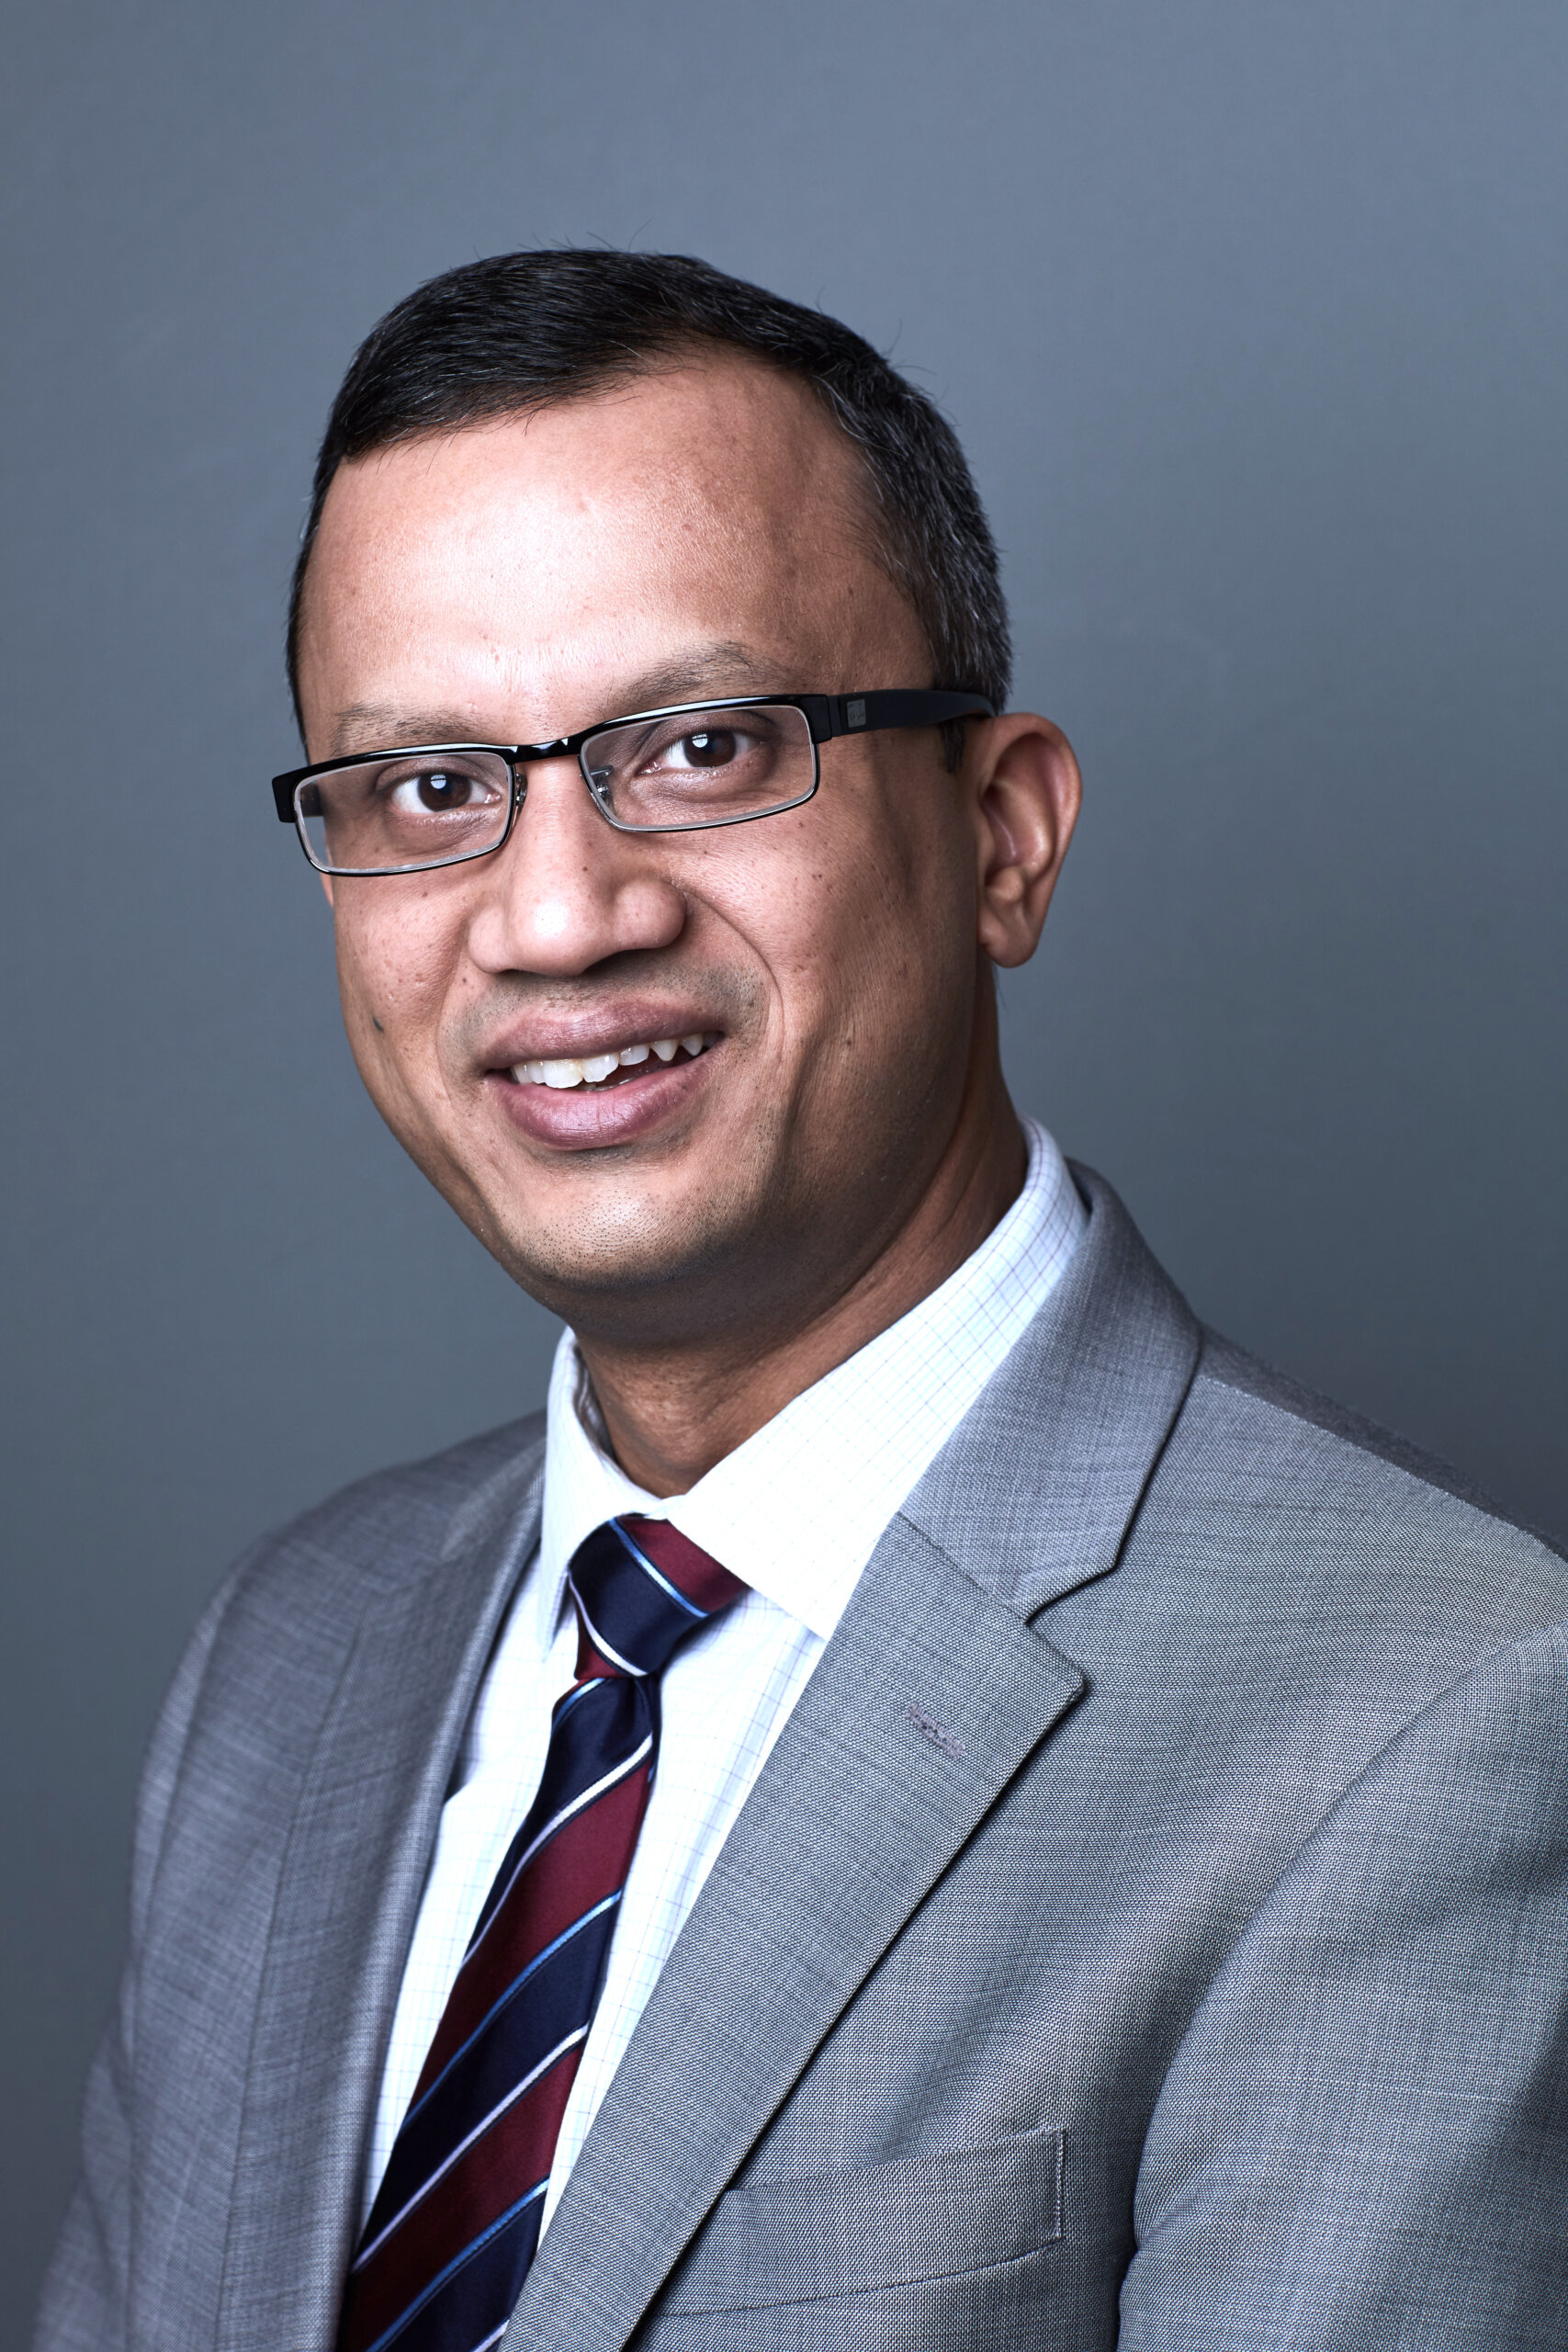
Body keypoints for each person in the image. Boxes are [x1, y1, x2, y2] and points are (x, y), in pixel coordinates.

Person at [36, 250, 1568, 2352]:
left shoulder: (1436, 1714)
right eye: (423, 788)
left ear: (1003, 834)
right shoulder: (288, 1659)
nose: (558, 912)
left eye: (699, 743)